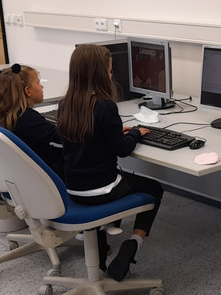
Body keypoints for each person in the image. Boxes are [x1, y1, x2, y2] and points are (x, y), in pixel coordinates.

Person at [55, 44, 164, 281]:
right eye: (110, 70)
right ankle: (132, 244)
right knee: (155, 188)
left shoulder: (65, 106)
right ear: (100, 73)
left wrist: (114, 133)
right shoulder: (105, 106)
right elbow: (123, 150)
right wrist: (135, 133)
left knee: (124, 181)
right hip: (102, 189)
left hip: (73, 189)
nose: (112, 74)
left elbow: (89, 139)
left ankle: (102, 245)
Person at [0, 63, 64, 178]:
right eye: (38, 83)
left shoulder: (9, 115)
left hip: (29, 172)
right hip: (50, 174)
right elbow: (61, 138)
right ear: (28, 91)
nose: (42, 87)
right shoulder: (27, 119)